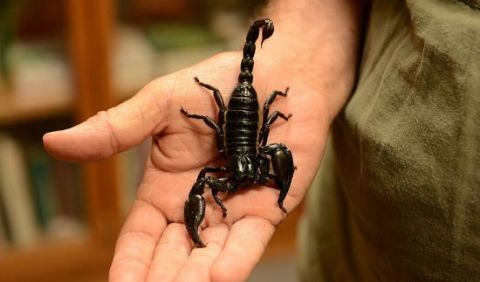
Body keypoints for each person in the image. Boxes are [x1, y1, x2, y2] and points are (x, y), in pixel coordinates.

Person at [43, 0, 479, 281]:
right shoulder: (226, 168)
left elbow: (271, 140)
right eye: (244, 176)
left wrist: (275, 176)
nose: (245, 179)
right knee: (225, 133)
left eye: (252, 174)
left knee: (262, 123)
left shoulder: (241, 166)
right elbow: (213, 165)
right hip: (353, 252)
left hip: (250, 116)